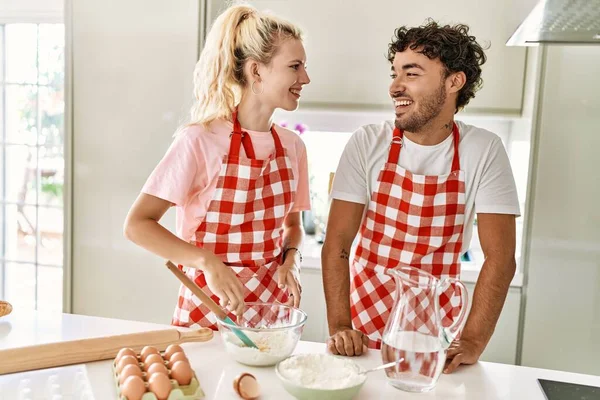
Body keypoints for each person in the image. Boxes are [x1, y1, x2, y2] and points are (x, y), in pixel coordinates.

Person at [321, 21, 520, 374]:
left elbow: (500, 258)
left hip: (436, 338)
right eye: (395, 73)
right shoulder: (368, 143)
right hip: (362, 332)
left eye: (411, 74)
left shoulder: (484, 150)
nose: (395, 86)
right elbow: (336, 242)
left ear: (453, 82)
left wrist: (473, 341)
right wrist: (340, 327)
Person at [124, 4, 311, 329]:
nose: (305, 78)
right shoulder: (200, 140)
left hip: (270, 315)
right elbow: (138, 224)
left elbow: (292, 226)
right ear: (256, 71)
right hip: (206, 312)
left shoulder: (293, 146)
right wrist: (206, 262)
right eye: (295, 66)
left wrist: (292, 259)